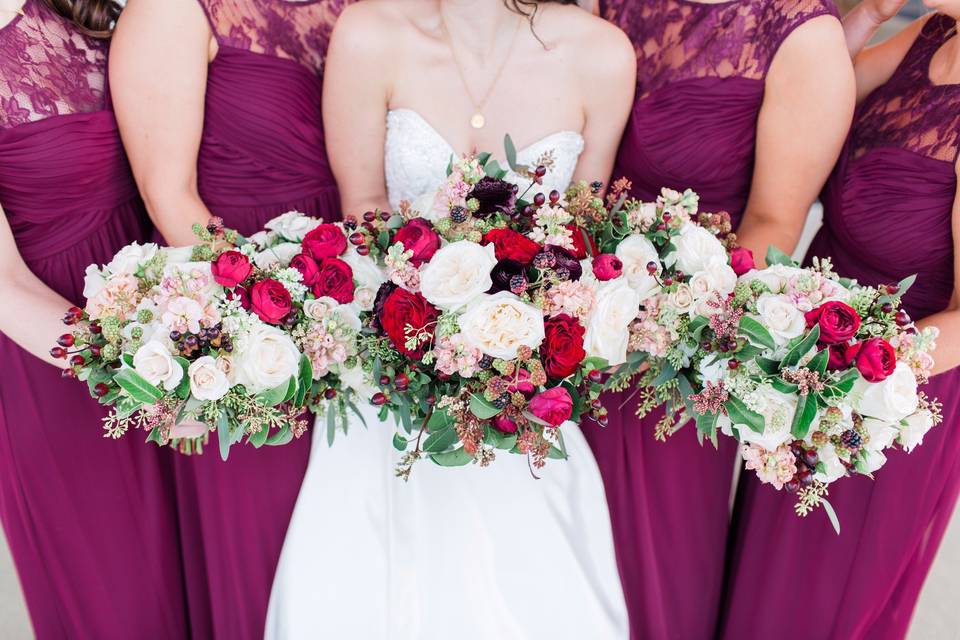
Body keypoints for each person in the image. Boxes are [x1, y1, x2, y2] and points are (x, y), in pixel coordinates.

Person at [265, 1, 636, 637]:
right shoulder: (368, 34)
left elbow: (579, 242)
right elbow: (365, 213)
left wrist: (511, 343)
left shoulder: (602, 55)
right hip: (388, 381)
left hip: (520, 396)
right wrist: (431, 338)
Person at [585, 0, 856, 637]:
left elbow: (771, 230)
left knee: (649, 574)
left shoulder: (804, 39)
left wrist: (656, 321)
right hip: (563, 323)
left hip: (673, 359)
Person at [110, 1, 351, 636]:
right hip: (253, 348)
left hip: (358, 324)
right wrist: (277, 331)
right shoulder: (174, 11)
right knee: (267, 574)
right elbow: (168, 196)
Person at [720, 2, 960, 637]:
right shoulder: (930, 35)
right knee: (756, 582)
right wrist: (871, 13)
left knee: (811, 607)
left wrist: (841, 385)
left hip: (890, 388)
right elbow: (818, 87)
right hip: (811, 358)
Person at [0, 0, 188, 637]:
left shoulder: (81, 9)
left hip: (177, 330)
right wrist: (143, 375)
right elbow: (4, 284)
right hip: (62, 366)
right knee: (129, 604)